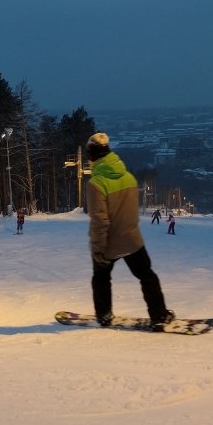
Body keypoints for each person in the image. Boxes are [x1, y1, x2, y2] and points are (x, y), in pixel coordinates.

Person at [85, 132, 174, 330]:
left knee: (101, 278)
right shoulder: (129, 178)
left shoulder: (96, 184)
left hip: (109, 243)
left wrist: (98, 249)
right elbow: (131, 213)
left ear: (92, 157)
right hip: (133, 240)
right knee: (147, 276)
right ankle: (159, 315)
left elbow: (100, 221)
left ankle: (104, 316)